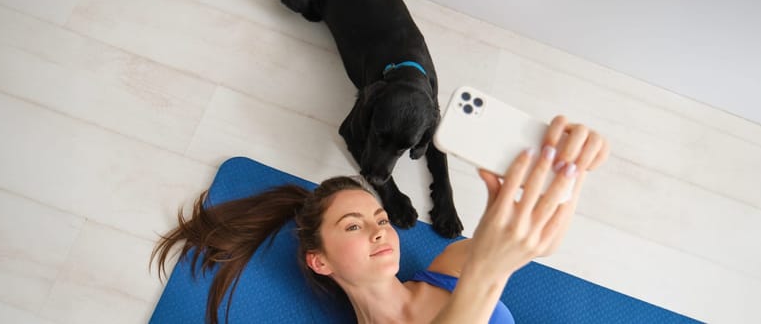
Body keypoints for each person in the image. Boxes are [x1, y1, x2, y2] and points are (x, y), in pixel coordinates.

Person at [152, 115, 609, 324]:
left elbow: (536, 241)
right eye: (352, 226)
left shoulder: (450, 268)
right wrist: (490, 269)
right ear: (320, 261)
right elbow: (498, 259)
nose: (378, 230)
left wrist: (567, 175)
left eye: (379, 218)